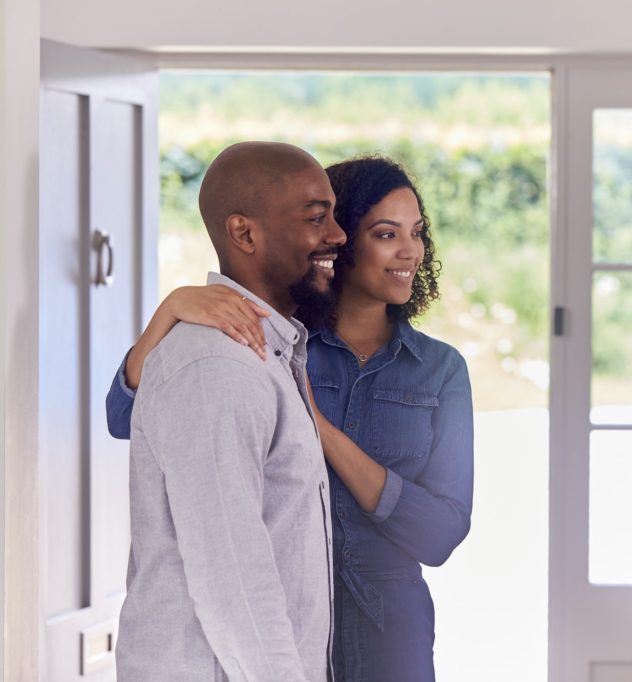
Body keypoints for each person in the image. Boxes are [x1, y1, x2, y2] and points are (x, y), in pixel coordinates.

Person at [107, 155, 473, 682]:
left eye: (416, 233)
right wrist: (170, 311)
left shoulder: (437, 370)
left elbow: (440, 533)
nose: (409, 250)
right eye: (386, 232)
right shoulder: (265, 341)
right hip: (284, 629)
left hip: (386, 631)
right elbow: (130, 417)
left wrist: (318, 429)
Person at [115, 141, 345, 681]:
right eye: (317, 219)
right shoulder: (217, 364)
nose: (337, 235)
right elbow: (232, 576)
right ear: (244, 233)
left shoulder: (265, 352)